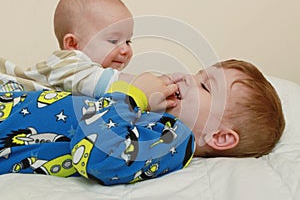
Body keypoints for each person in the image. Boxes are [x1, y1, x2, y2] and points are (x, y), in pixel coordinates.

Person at [0, 59, 285, 185]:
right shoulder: (156, 114)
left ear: (219, 137)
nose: (186, 77)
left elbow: (100, 154)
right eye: (198, 74)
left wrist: (135, 95)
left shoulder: (172, 141)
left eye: (205, 87)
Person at [0, 0, 178, 111]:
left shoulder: (92, 84)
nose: (125, 50)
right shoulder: (67, 63)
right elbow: (104, 82)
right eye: (113, 40)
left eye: (128, 41)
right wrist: (148, 84)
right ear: (73, 44)